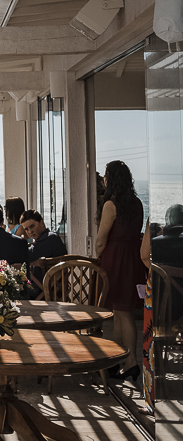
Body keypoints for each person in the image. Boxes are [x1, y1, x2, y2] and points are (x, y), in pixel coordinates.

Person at [96, 159, 146, 380]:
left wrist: (99, 255)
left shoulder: (110, 204)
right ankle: (117, 360)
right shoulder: (137, 203)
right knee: (120, 311)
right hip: (132, 257)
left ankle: (132, 362)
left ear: (111, 179)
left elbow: (101, 239)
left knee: (122, 312)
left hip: (115, 258)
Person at [21, 210, 66, 295]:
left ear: (41, 222)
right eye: (26, 229)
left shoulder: (49, 238)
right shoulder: (44, 239)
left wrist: (22, 241)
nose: (30, 231)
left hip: (46, 289)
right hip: (45, 287)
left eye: (32, 226)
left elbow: (26, 255)